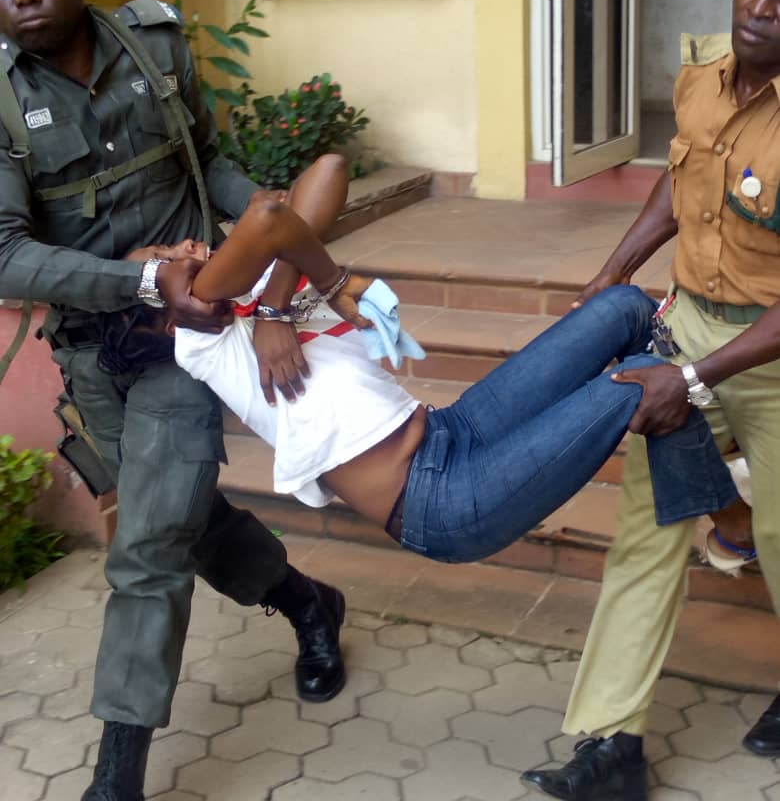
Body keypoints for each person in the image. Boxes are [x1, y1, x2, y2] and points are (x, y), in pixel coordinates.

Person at [0, 0, 349, 801]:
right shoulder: (0, 96)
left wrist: (265, 224)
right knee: (186, 521)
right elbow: (5, 253)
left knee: (150, 545)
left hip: (188, 344)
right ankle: (308, 602)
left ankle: (115, 779)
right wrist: (143, 279)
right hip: (92, 350)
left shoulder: (153, 46)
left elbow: (208, 162)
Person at [108, 173, 737, 580]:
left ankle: (700, 455)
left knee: (623, 308)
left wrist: (276, 305)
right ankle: (733, 520)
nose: (184, 248)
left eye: (174, 244)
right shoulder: (202, 340)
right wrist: (298, 285)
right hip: (442, 504)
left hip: (451, 432)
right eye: (164, 264)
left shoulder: (265, 289)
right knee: (646, 378)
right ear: (167, 321)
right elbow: (271, 217)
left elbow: (321, 174)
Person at [522, 0, 780, 801]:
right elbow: (679, 188)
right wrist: (612, 273)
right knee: (647, 535)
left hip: (771, 359)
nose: (760, 9)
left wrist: (693, 381)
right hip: (690, 331)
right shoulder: (701, 82)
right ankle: (613, 746)